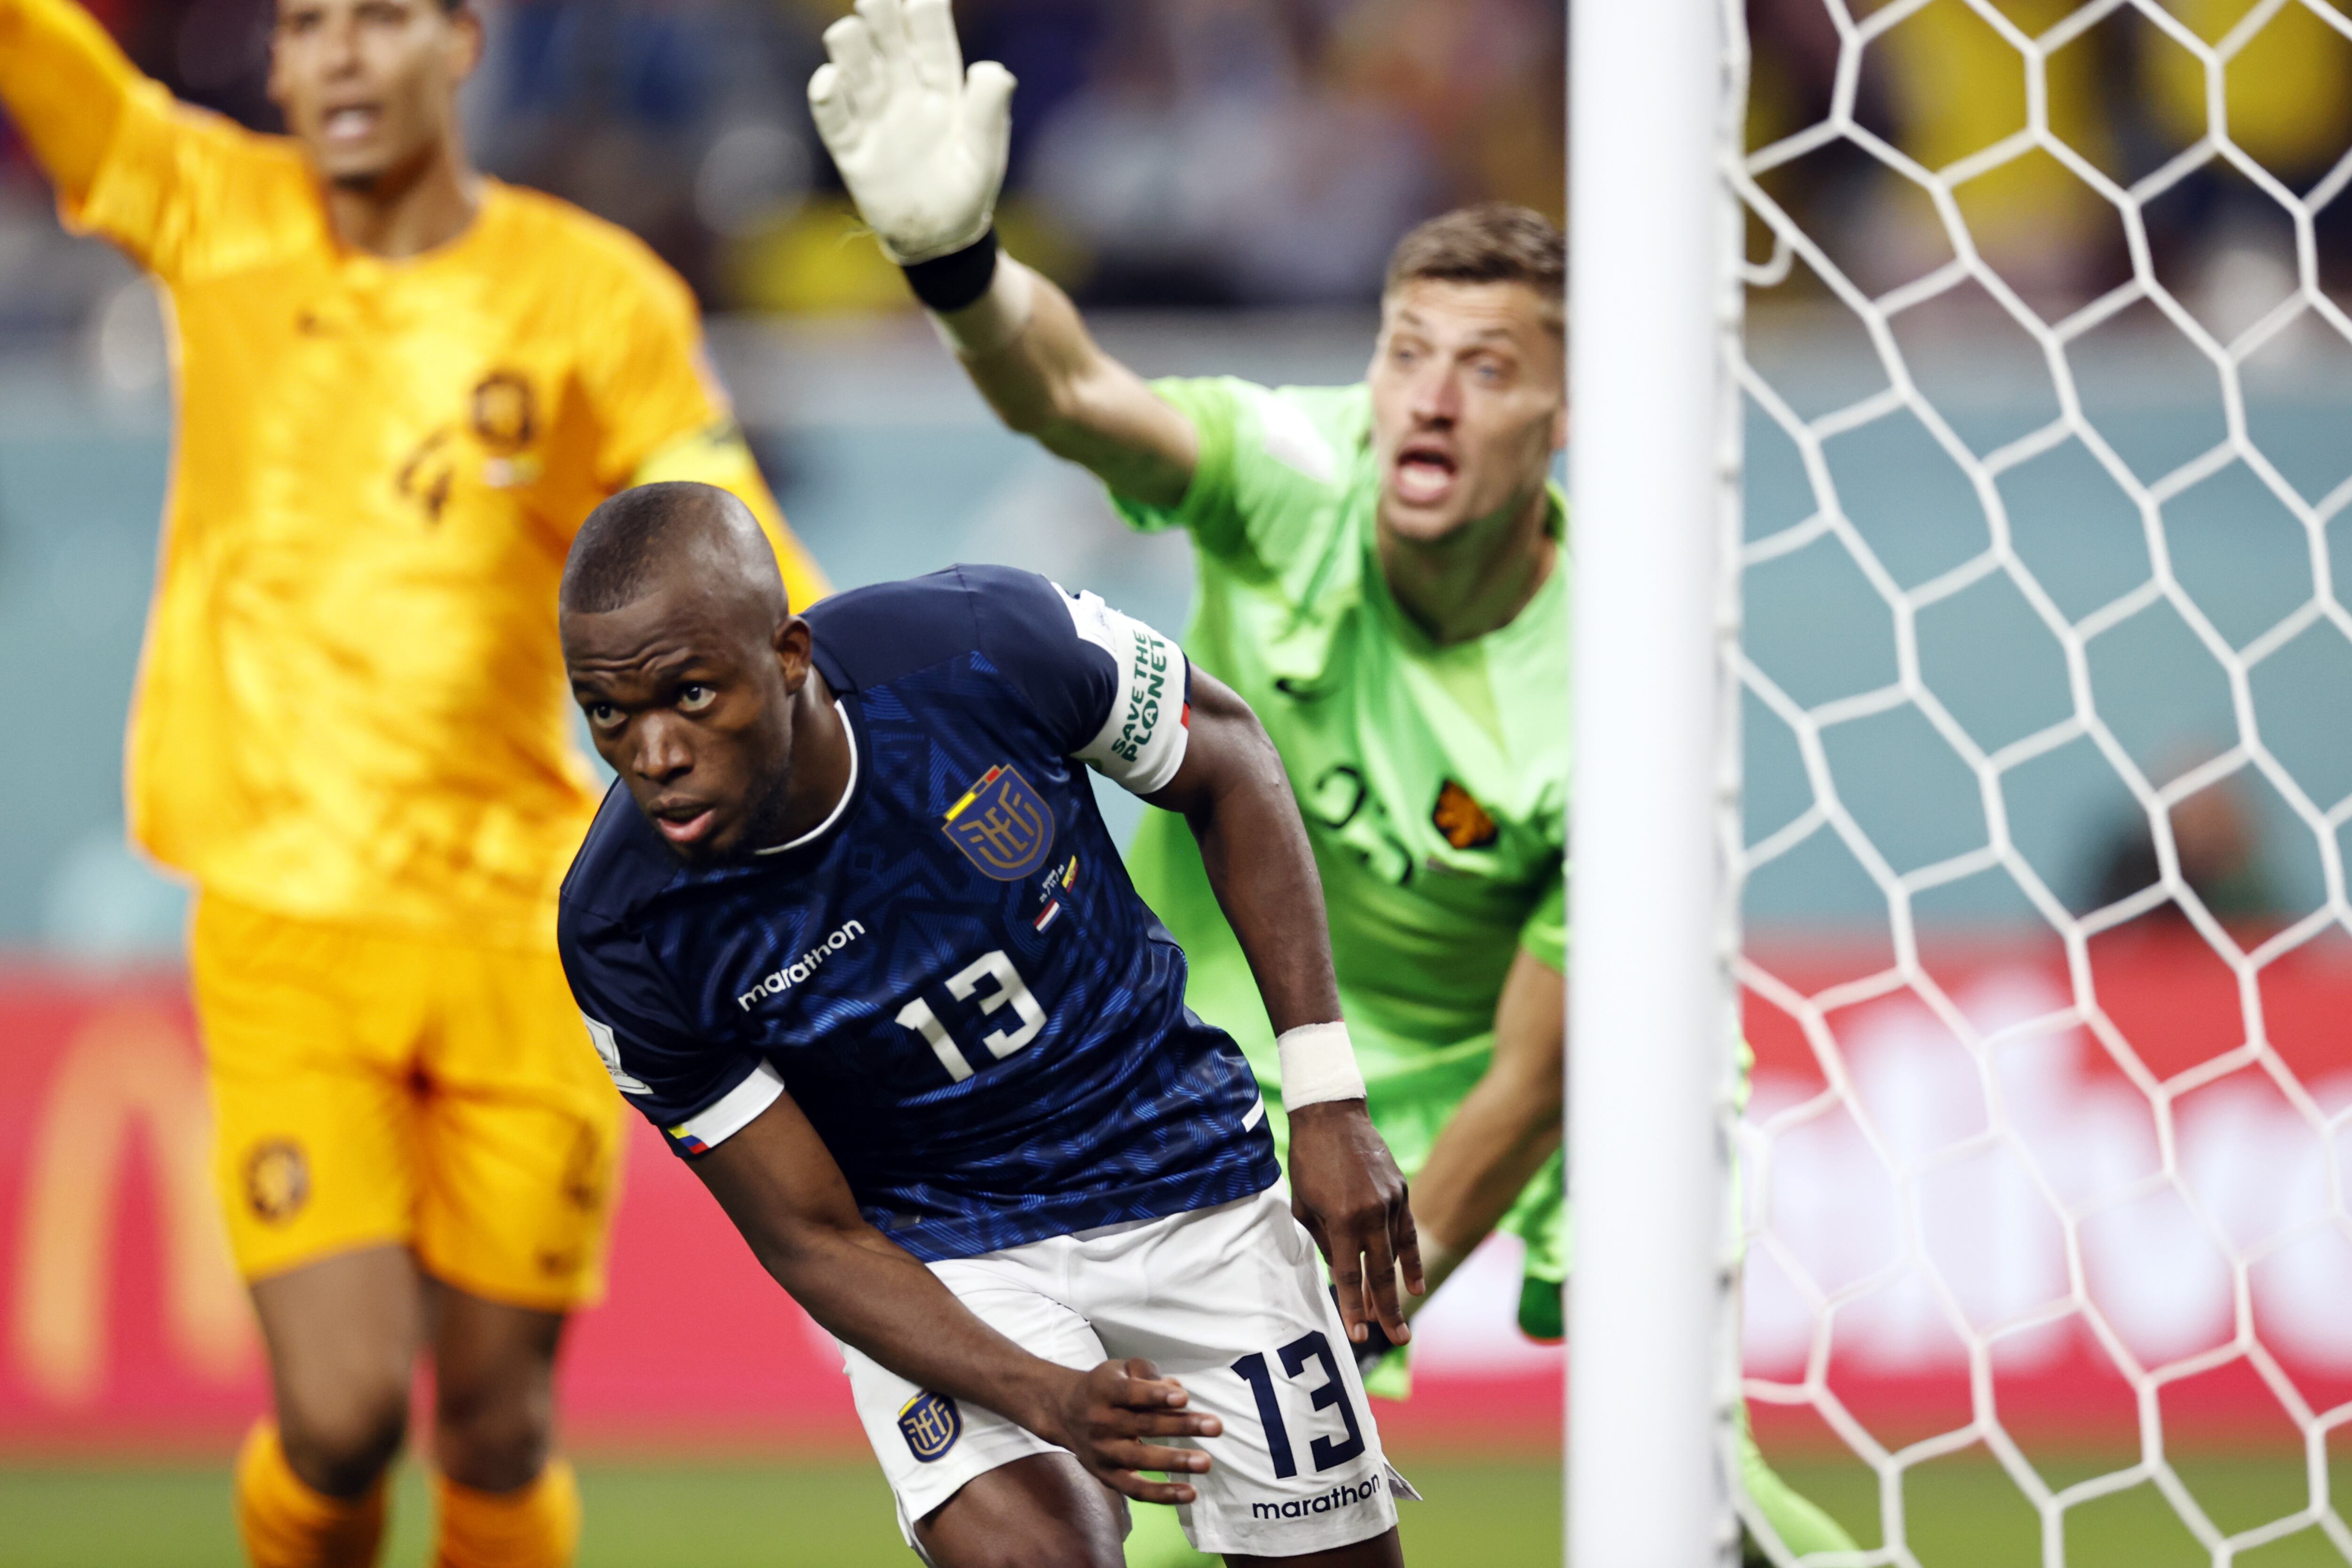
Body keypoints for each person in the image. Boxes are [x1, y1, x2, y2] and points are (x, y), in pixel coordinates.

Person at [805, 2, 1859, 1561]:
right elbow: (1077, 392)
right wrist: (960, 271)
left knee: (1699, 1503)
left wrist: (1362, 1292)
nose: (1427, 399)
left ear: (1567, 421)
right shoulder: (1295, 478)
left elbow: (1535, 1074)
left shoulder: (1624, 680)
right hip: (1228, 1047)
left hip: (1553, 1072)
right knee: (1171, 1517)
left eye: (1487, 368)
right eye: (1406, 353)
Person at [0, 3, 828, 1565]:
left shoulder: (592, 296)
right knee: (341, 1410)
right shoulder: (218, 211)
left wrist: (862, 690)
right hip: (289, 918)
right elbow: (48, 64)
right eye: (304, 26)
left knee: (501, 1425)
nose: (337, 60)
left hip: (526, 929)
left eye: (378, 19)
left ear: (459, 40)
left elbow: (731, 531)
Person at [555, 480, 1420, 1567]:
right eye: (609, 712)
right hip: (943, 1250)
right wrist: (1048, 1396)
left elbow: (1229, 757)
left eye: (689, 693)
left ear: (787, 656)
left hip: (1178, 1171)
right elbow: (811, 1235)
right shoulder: (627, 931)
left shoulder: (983, 647)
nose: (653, 753)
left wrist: (1328, 1098)